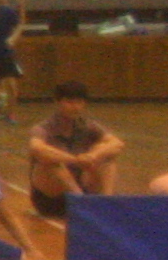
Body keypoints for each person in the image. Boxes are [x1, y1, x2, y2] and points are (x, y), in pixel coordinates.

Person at [26, 82, 123, 217]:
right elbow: (36, 148)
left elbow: (117, 144)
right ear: (58, 102)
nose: (75, 107)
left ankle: (106, 202)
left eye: (79, 102)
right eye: (70, 102)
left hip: (83, 185)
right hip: (52, 197)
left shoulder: (88, 126)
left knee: (106, 155)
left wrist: (93, 155)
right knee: (50, 161)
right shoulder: (44, 128)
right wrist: (74, 160)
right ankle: (80, 200)